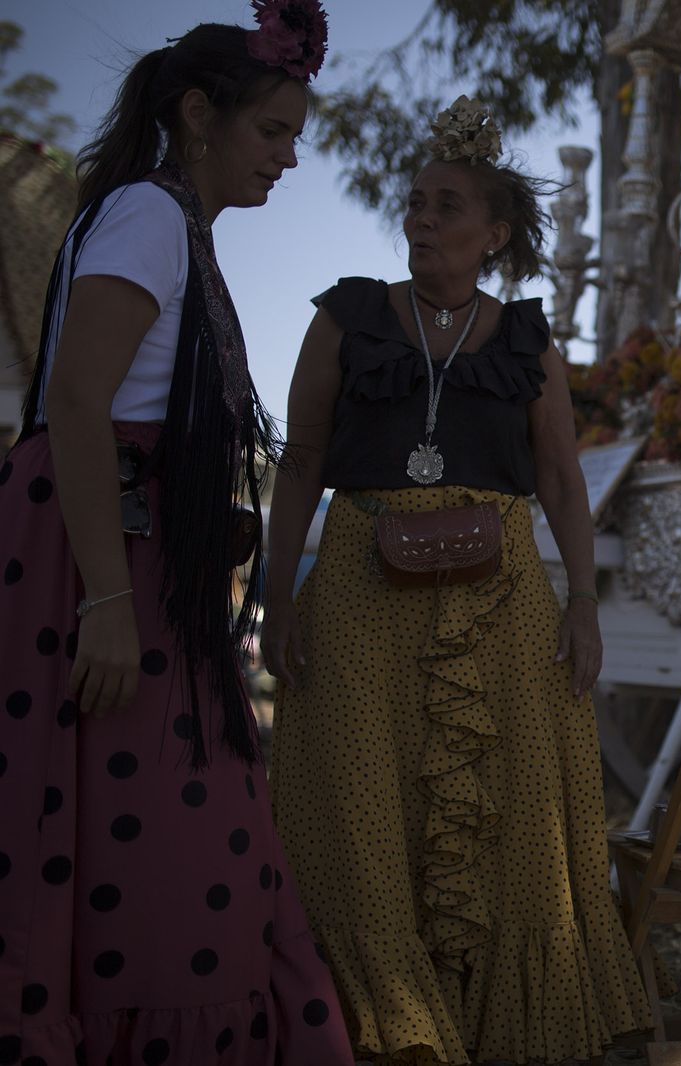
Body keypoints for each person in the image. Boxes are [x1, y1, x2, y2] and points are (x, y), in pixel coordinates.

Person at [261, 97, 651, 1065]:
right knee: (362, 800)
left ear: (496, 233)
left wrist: (584, 603)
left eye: (447, 205)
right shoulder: (348, 316)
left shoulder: (526, 340)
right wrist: (276, 592)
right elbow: (300, 462)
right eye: (416, 201)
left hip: (499, 603)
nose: (422, 218)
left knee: (501, 802)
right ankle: (379, 1029)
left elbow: (562, 479)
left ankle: (491, 1030)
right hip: (358, 594)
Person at [0, 5, 356, 1064]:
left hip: (137, 561)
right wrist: (108, 603)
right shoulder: (151, 217)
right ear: (199, 115)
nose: (288, 158)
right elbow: (76, 400)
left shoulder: (171, 227)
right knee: (170, 848)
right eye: (272, 132)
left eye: (295, 137)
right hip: (97, 563)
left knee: (170, 838)